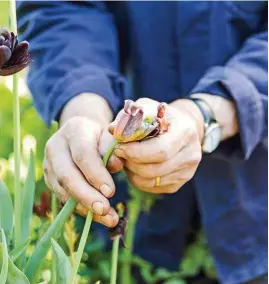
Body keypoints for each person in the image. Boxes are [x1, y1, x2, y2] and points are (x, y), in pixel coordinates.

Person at [17, 2, 267, 283]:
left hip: (257, 209)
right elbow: (60, 9)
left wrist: (206, 115)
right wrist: (83, 107)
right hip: (123, 222)